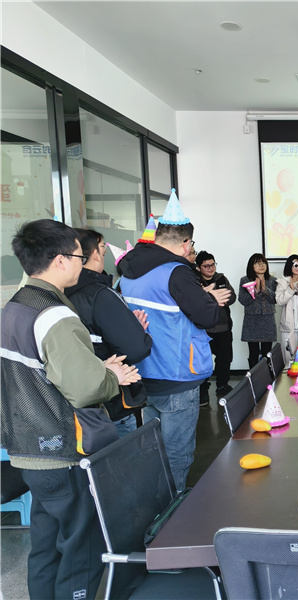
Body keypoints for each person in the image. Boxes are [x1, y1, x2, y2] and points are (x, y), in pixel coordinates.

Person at [1, 219, 140, 600]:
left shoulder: (13, 308)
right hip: (63, 449)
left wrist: (95, 369)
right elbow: (84, 388)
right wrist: (111, 376)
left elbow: (39, 372)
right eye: (80, 256)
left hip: (27, 450)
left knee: (45, 547)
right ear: (60, 260)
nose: (84, 263)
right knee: (82, 549)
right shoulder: (54, 314)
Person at [119, 191, 228, 491]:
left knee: (154, 450)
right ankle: (173, 509)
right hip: (177, 373)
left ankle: (154, 504)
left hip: (143, 373)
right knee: (178, 454)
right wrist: (211, 299)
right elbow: (208, 317)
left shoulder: (128, 271)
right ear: (185, 243)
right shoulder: (177, 272)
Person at [66, 229, 152, 436]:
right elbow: (136, 349)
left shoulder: (58, 294)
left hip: (74, 404)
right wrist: (137, 332)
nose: (104, 253)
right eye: (102, 247)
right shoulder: (100, 295)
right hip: (110, 404)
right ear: (94, 253)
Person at [195, 250, 236, 401]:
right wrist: (212, 298)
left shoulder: (221, 279)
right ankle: (202, 389)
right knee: (202, 361)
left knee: (224, 359)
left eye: (213, 264)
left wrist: (223, 299)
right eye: (206, 266)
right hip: (202, 329)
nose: (211, 268)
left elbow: (232, 296)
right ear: (198, 267)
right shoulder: (194, 281)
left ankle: (222, 385)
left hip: (223, 327)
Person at [238, 253, 278, 368]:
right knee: (253, 353)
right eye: (257, 263)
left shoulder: (273, 280)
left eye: (263, 263)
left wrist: (265, 289)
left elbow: (275, 299)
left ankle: (267, 376)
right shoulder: (245, 280)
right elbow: (242, 300)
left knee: (267, 353)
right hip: (252, 321)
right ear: (251, 265)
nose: (261, 265)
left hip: (268, 320)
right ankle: (253, 376)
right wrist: (254, 291)